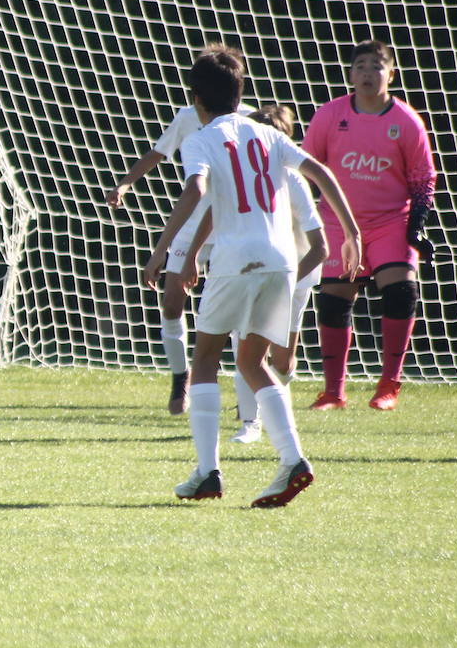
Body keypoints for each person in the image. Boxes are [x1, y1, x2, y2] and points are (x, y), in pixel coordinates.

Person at [143, 50, 360, 507]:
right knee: (252, 362)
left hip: (236, 260)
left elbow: (199, 191)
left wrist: (165, 251)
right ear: (241, 93)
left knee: (205, 361)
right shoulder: (265, 133)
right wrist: (352, 231)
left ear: (195, 97)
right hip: (280, 262)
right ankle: (292, 460)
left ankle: (207, 472)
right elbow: (317, 171)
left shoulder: (201, 139)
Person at [108, 43, 254, 414]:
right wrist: (126, 183)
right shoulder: (188, 119)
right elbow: (158, 153)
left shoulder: (252, 123)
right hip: (194, 221)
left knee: (236, 309)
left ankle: (244, 392)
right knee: (172, 298)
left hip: (232, 224)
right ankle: (180, 375)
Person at [301, 40, 438, 411]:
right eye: (360, 65)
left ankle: (388, 387)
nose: (367, 73)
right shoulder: (330, 115)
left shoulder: (406, 121)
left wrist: (418, 225)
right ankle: (334, 392)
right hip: (339, 222)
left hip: (390, 221)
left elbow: (424, 178)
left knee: (401, 293)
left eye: (376, 66)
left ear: (390, 75)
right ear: (350, 74)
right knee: (333, 301)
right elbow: (306, 167)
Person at [181, 105, 327, 445]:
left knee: (281, 358)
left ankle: (278, 413)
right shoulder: (240, 179)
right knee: (244, 348)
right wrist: (192, 254)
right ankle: (251, 422)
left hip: (295, 273)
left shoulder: (292, 179)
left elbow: (319, 247)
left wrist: (350, 233)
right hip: (255, 269)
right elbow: (216, 213)